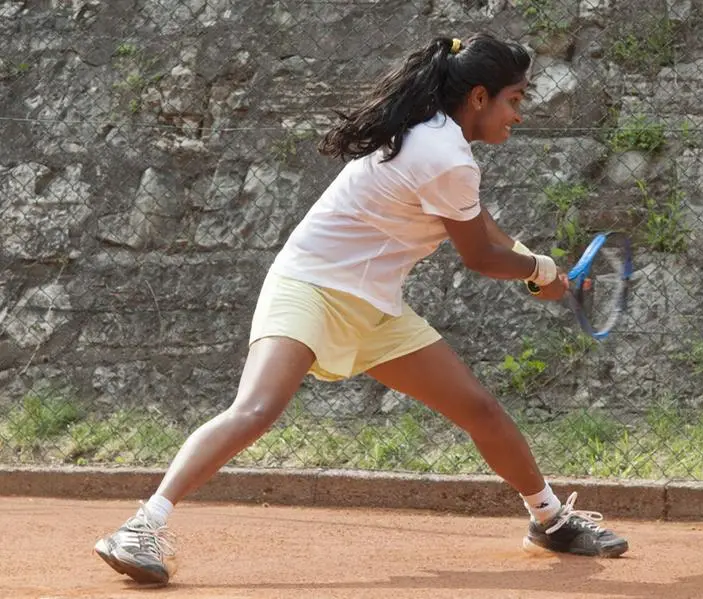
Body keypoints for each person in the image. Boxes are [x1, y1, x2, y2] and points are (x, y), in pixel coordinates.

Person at [93, 32, 629, 585]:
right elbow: (479, 255)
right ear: (477, 97)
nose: (518, 115)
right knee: (255, 409)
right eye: (515, 99)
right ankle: (142, 525)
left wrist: (536, 266)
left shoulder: (440, 140)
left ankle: (549, 520)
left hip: (374, 306)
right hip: (310, 287)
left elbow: (482, 226)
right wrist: (540, 270)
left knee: (480, 411)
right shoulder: (443, 153)